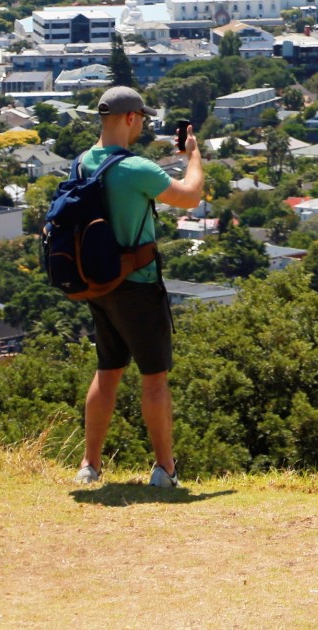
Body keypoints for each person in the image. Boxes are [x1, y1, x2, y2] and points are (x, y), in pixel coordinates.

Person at [75, 86, 205, 488]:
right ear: (131, 118)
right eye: (143, 118)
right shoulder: (136, 168)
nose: (143, 124)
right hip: (138, 284)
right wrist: (194, 156)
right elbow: (190, 197)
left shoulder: (81, 163)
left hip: (97, 284)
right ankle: (164, 468)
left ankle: (90, 464)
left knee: (108, 371)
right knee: (154, 377)